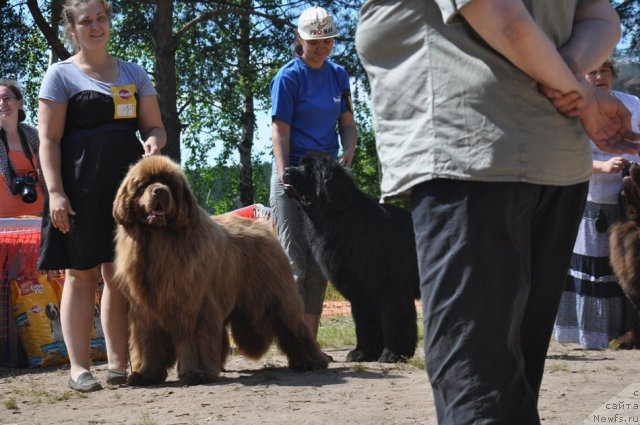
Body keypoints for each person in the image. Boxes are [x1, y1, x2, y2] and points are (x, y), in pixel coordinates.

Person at [356, 0, 640, 423]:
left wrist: (577, 92)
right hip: (554, 161)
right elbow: (601, 18)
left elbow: (501, 18)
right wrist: (569, 75)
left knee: (480, 396)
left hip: (473, 153)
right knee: (513, 386)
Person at [37, 0, 166, 392]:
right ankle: (79, 368)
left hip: (127, 189)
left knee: (118, 274)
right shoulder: (59, 75)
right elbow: (48, 140)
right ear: (72, 29)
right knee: (80, 273)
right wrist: (56, 192)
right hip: (78, 186)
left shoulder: (134, 72)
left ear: (110, 22)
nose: (96, 26)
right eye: (86, 21)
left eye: (101, 18)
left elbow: (156, 127)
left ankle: (117, 363)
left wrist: (153, 142)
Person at [269, 6, 358, 338]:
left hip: (326, 179)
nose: (321, 47)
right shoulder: (288, 78)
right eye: (314, 42)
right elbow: (280, 131)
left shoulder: (338, 75)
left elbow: (347, 124)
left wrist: (348, 151)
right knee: (294, 261)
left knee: (321, 260)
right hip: (293, 173)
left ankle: (310, 340)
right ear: (300, 39)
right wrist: (284, 175)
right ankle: (293, 340)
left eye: (328, 41)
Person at [554, 59, 640, 350]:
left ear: (613, 75)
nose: (599, 76)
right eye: (592, 71)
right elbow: (563, 156)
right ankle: (595, 334)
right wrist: (603, 168)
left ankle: (629, 332)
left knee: (632, 272)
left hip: (632, 203)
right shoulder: (573, 109)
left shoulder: (633, 104)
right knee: (596, 267)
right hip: (591, 201)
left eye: (605, 70)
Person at [0, 81, 44, 218]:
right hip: (5, 223)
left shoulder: (33, 134)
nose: (2, 103)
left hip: (39, 218)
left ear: (20, 103)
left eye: (7, 98)